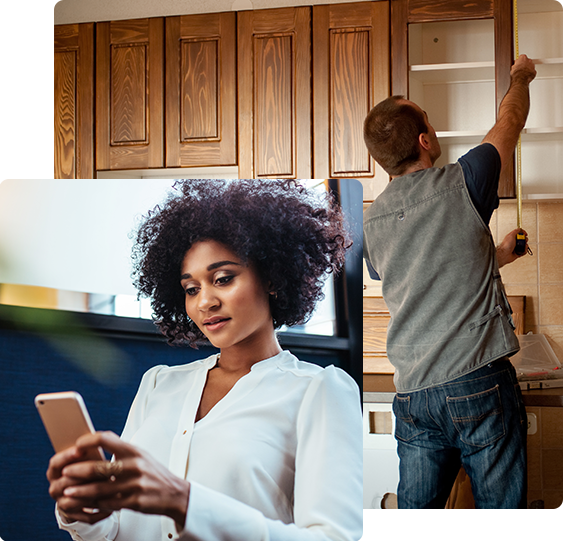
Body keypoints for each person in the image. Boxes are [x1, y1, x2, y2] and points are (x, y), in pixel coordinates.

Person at [46, 180, 363, 540]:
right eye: (191, 289)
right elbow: (118, 528)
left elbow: (335, 537)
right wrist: (86, 514)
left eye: (223, 279)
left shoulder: (319, 391)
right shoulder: (159, 383)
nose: (204, 303)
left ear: (273, 278)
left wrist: (185, 503)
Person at [363, 55, 537, 510]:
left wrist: (496, 256)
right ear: (425, 140)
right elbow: (510, 120)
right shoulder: (466, 180)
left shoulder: (369, 224)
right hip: (478, 381)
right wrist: (521, 75)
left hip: (415, 395)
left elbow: (427, 275)